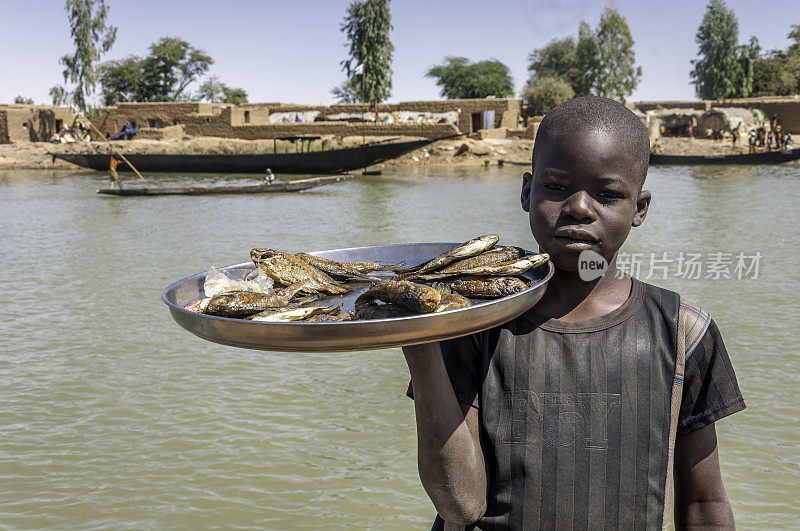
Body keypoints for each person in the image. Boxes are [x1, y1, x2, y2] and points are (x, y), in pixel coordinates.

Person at [402, 96, 745, 529]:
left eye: (607, 194)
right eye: (557, 187)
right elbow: (460, 505)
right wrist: (419, 342)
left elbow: (703, 505)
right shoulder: (474, 322)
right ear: (527, 192)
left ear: (639, 208)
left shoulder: (682, 332)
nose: (580, 208)